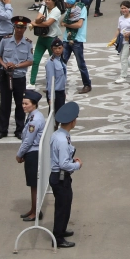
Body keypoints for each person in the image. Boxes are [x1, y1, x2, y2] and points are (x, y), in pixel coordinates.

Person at [0, 15, 33, 140]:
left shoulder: (27, 43)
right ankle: (3, 130)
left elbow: (30, 61)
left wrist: (16, 66)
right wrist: (5, 65)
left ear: (25, 29)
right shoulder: (5, 40)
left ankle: (19, 130)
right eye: (17, 27)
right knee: (4, 104)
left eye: (22, 28)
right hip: (6, 76)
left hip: (19, 77)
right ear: (14, 27)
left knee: (20, 104)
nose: (19, 30)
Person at [49, 101, 81, 248]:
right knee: (63, 207)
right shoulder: (62, 140)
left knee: (65, 205)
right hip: (60, 177)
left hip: (59, 176)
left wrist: (70, 160)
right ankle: (58, 238)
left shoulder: (59, 134)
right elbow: (63, 164)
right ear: (73, 121)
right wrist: (77, 165)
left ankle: (61, 230)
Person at [16, 89, 45, 221]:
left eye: (26, 103)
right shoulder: (33, 116)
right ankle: (33, 209)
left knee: (34, 185)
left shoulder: (34, 120)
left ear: (34, 104)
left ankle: (36, 212)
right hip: (32, 152)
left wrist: (19, 154)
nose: (23, 106)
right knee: (32, 185)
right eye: (23, 103)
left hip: (33, 153)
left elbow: (28, 140)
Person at [61, 0, 92, 94]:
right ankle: (59, 85)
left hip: (77, 40)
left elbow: (79, 25)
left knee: (80, 63)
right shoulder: (69, 10)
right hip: (66, 39)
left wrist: (66, 24)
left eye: (66, 3)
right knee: (61, 62)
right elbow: (61, 21)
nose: (65, 4)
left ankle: (87, 84)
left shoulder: (82, 9)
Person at [45, 38, 67, 113]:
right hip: (55, 92)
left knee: (60, 114)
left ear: (62, 48)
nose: (57, 50)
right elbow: (50, 80)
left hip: (61, 91)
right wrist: (51, 97)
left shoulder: (61, 59)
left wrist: (64, 92)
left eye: (59, 48)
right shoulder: (51, 62)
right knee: (54, 115)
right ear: (52, 49)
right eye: (55, 48)